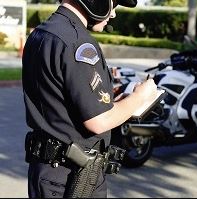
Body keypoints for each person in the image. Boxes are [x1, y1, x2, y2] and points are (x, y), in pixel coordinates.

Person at [22, 0, 158, 197]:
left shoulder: (42, 33)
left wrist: (116, 99)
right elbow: (99, 121)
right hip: (72, 178)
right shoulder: (78, 42)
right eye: (114, 5)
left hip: (47, 171)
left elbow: (61, 98)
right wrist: (140, 97)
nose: (113, 14)